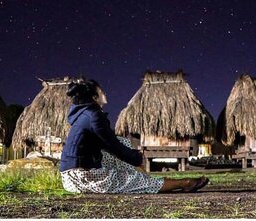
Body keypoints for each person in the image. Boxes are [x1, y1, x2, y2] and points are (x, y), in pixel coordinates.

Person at [59, 78, 209, 194]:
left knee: (122, 141)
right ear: (94, 97)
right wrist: (137, 159)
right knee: (135, 177)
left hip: (72, 175)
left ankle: (140, 177)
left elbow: (110, 144)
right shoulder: (93, 116)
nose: (105, 93)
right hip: (80, 177)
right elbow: (112, 145)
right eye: (101, 91)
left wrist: (132, 160)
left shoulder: (84, 115)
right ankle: (184, 183)